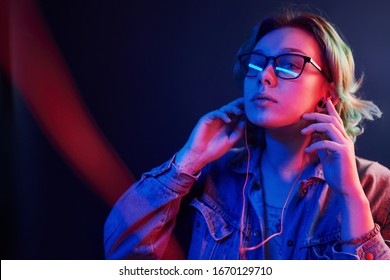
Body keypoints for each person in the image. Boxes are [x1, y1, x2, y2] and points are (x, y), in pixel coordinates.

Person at [104, 8, 390, 260]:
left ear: (329, 93)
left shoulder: (375, 186)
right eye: (257, 62)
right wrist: (187, 161)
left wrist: (352, 197)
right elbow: (122, 256)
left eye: (289, 64)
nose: (264, 75)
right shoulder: (210, 175)